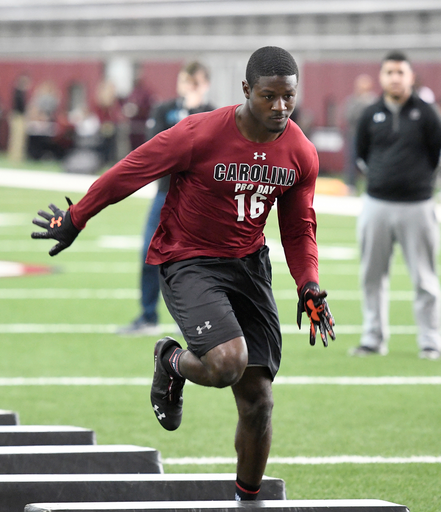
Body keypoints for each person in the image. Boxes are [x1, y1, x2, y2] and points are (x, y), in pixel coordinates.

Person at [31, 46, 335, 501]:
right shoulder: (199, 132)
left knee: (259, 403)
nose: (280, 108)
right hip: (189, 259)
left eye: (288, 97)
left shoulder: (299, 151)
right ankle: (170, 360)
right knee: (227, 363)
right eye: (269, 96)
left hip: (249, 266)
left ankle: (247, 501)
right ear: (247, 90)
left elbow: (297, 226)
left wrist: (307, 282)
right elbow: (129, 172)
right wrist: (78, 217)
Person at [350, 51, 441, 360]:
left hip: (418, 205)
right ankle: (373, 338)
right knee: (372, 276)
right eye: (389, 72)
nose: (395, 78)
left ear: (410, 77)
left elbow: (436, 154)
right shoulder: (369, 113)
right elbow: (360, 153)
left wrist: (418, 182)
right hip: (377, 203)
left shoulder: (427, 113)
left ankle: (430, 341)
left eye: (400, 72)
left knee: (425, 279)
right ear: (382, 77)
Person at [117, 61, 215, 336]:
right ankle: (148, 315)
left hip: (200, 200)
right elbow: (157, 148)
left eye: (194, 83)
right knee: (149, 252)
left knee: (203, 261)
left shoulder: (214, 113)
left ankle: (206, 322)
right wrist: (187, 114)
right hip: (166, 194)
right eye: (186, 82)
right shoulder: (164, 110)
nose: (189, 88)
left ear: (205, 85)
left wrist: (195, 111)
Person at [342, 74, 376, 193]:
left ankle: (371, 187)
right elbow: (349, 115)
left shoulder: (373, 100)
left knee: (370, 161)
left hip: (369, 136)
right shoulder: (352, 99)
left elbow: (371, 116)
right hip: (354, 134)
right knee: (351, 160)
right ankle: (351, 186)